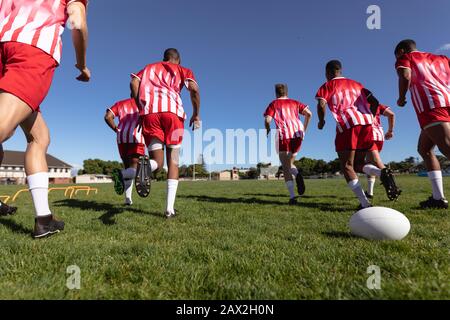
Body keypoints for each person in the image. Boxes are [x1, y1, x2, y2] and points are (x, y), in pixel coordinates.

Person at [0, 0, 90, 238]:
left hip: (4, 48)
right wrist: (81, 65)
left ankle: (44, 220)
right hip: (32, 49)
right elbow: (77, 23)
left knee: (40, 137)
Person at [316, 60, 401, 209]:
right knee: (358, 164)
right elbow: (374, 101)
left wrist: (321, 121)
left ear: (327, 73)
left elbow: (321, 103)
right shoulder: (357, 84)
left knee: (347, 166)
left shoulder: (328, 85)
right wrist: (371, 116)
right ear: (340, 70)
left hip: (348, 124)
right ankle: (382, 173)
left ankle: (365, 203)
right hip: (366, 124)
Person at [130, 48, 201, 218]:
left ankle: (147, 168)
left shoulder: (149, 67)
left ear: (164, 58)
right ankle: (169, 210)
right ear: (179, 60)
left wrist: (140, 107)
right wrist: (196, 113)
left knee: (157, 161)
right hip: (173, 114)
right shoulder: (183, 70)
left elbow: (134, 82)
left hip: (150, 114)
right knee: (173, 162)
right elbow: (194, 89)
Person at [395, 39, 450, 209]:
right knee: (424, 149)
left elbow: (405, 75)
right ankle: (437, 198)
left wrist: (402, 97)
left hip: (431, 106)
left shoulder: (406, 58)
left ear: (402, 51)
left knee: (447, 147)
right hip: (446, 102)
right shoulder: (442, 58)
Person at [264, 84, 312, 205]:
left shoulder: (274, 104)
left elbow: (267, 119)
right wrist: (304, 129)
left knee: (285, 166)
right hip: (298, 134)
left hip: (284, 135)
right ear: (286, 92)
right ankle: (297, 174)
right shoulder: (295, 102)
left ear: (276, 93)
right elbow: (309, 114)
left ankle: (292, 197)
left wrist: (268, 128)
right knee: (290, 163)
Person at [104, 98, 146, 206]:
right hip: (136, 136)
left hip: (121, 137)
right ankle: (120, 175)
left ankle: (128, 199)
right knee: (135, 170)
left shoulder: (121, 104)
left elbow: (108, 117)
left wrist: (116, 129)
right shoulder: (144, 102)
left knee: (128, 168)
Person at [365, 104, 396, 199]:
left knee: (376, 164)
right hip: (379, 136)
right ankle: (370, 192)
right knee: (370, 164)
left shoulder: (358, 104)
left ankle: (393, 189)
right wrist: (390, 131)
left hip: (368, 134)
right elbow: (391, 114)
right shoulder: (378, 104)